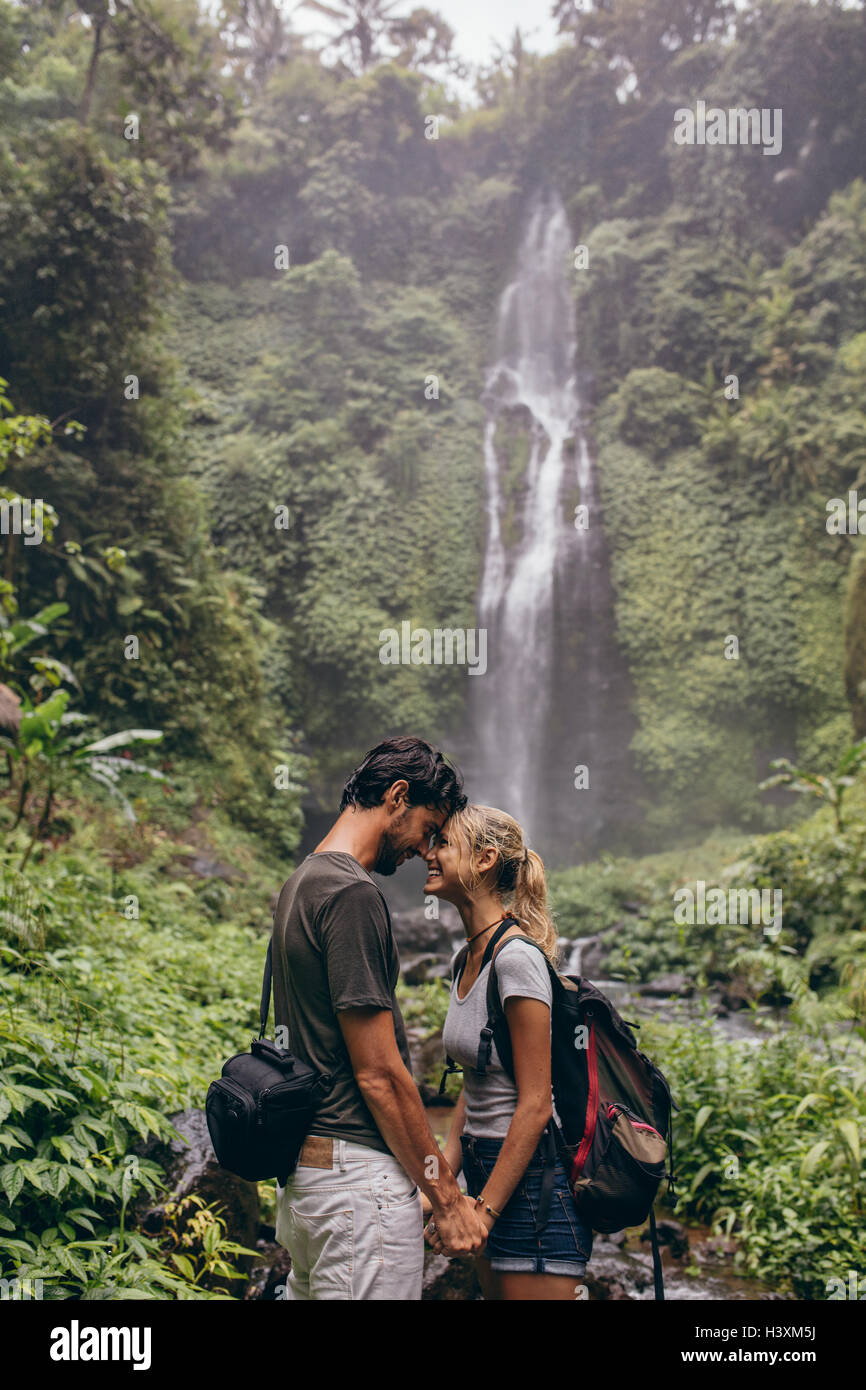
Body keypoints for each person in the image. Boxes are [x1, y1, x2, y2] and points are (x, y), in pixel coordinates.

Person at [271, 736, 489, 1300]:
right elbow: (379, 1075)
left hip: (306, 1181)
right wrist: (446, 1197)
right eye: (428, 828)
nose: (426, 849)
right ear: (397, 796)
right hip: (356, 1190)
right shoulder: (351, 894)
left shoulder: (301, 882)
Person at [422, 803, 593, 1301]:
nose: (428, 854)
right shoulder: (465, 958)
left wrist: (485, 1211)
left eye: (443, 844)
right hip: (485, 1171)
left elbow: (537, 1102)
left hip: (532, 1185)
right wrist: (442, 1191)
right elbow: (474, 1088)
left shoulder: (515, 959)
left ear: (485, 859)